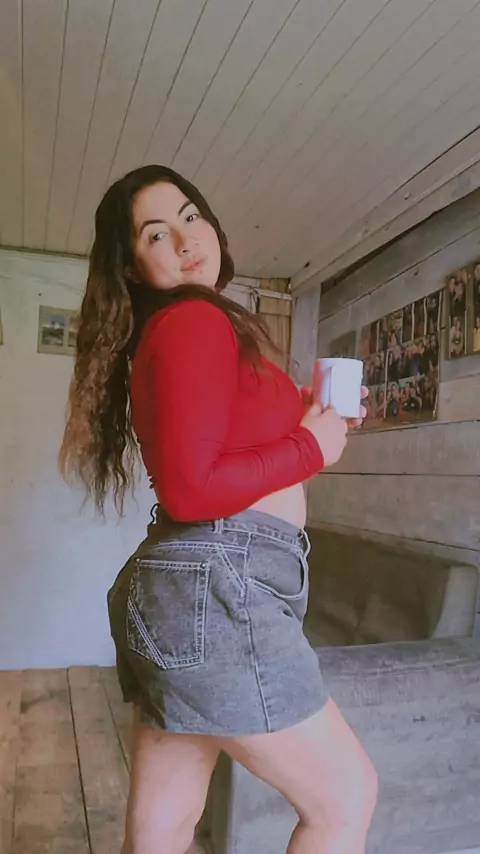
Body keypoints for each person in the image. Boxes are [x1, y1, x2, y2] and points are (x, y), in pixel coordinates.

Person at [59, 165, 377, 854]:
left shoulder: (183, 327)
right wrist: (311, 446)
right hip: (222, 584)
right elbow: (192, 489)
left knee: (164, 828)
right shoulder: (194, 320)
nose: (185, 239)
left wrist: (299, 411)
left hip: (190, 589)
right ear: (132, 266)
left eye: (190, 215)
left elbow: (211, 444)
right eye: (156, 234)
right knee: (345, 800)